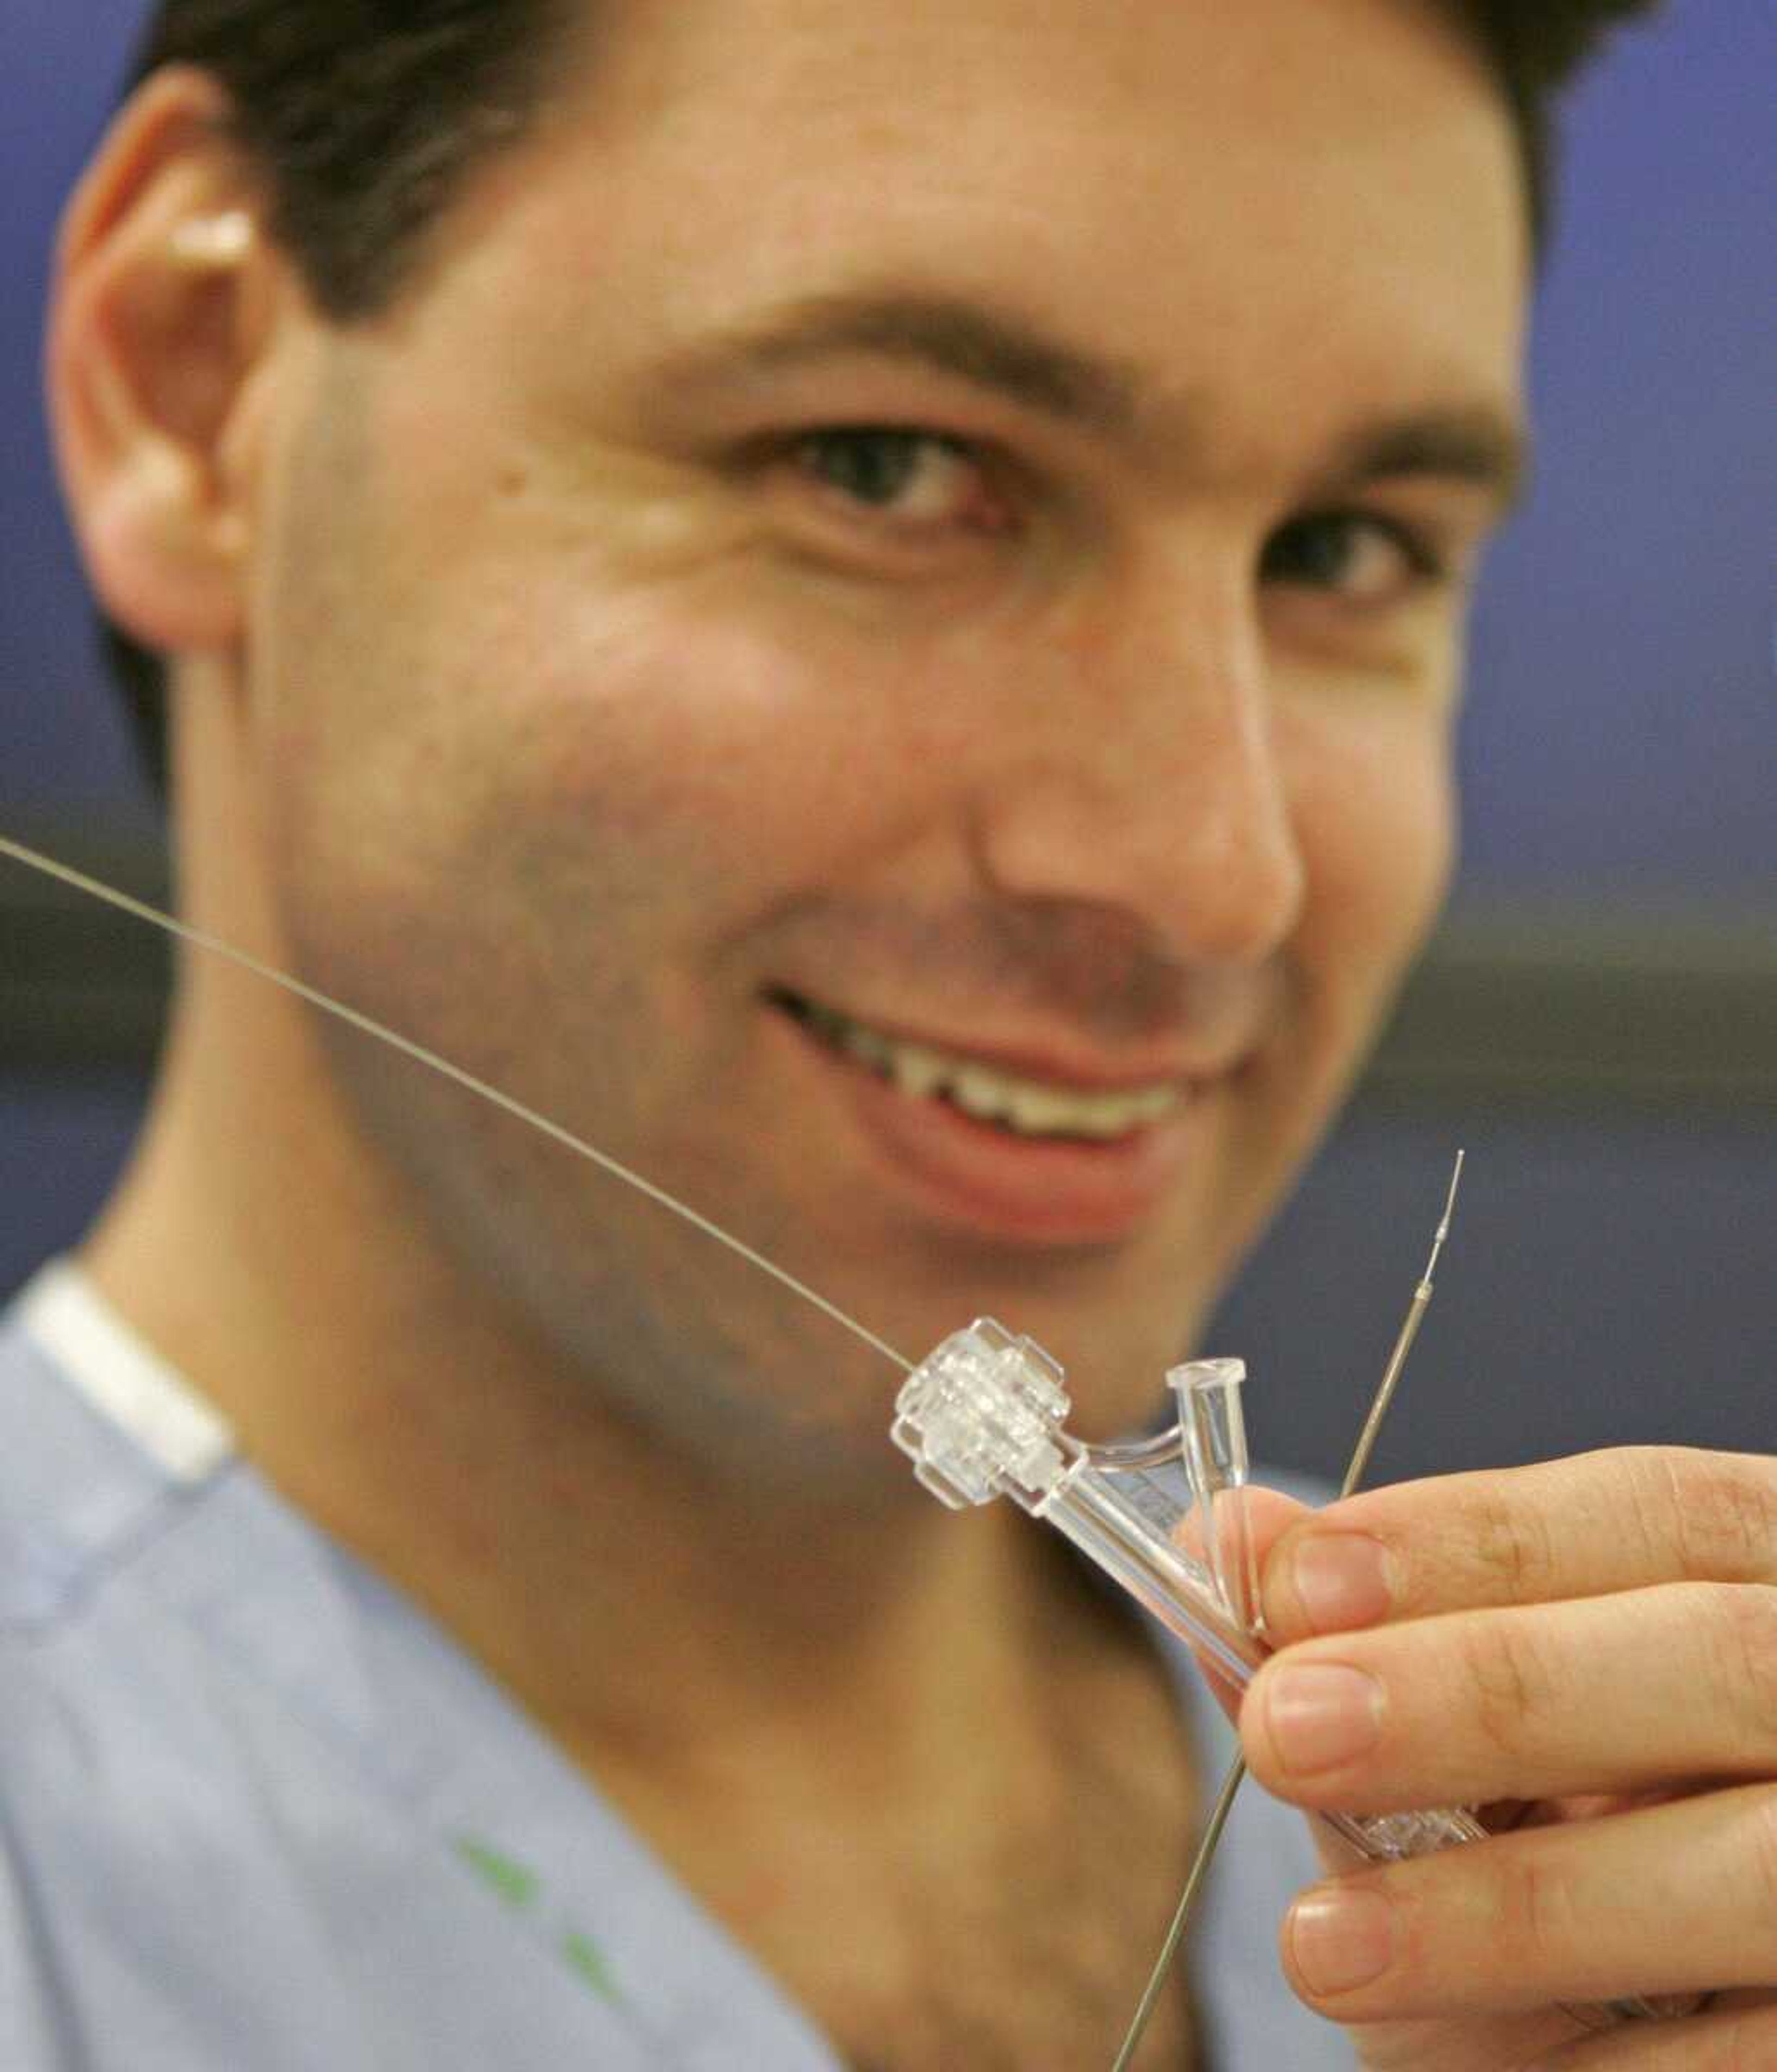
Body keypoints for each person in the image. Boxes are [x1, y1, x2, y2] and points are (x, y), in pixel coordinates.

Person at [4, 0, 1771, 2064]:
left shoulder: (1616, 1832)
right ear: (196, 384)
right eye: (889, 468)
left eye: (1342, 550)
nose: (1222, 873)